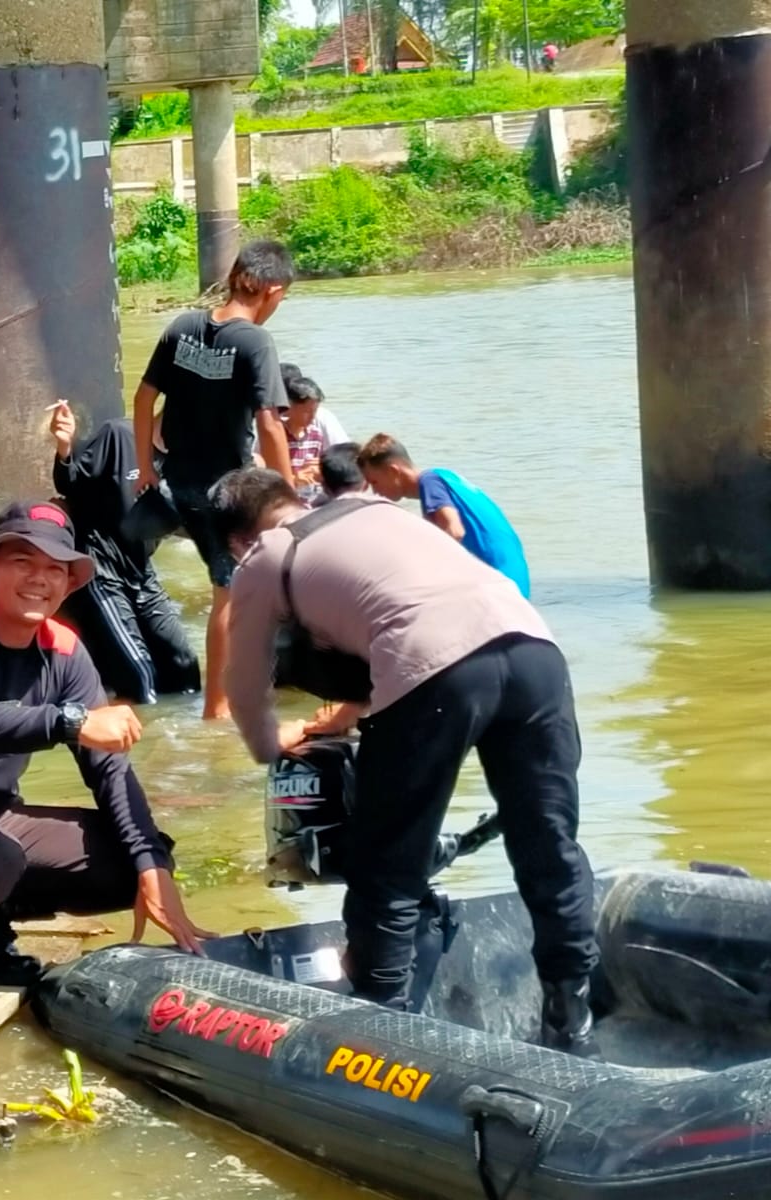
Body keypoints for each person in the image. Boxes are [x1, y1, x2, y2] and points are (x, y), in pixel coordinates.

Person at [213, 469, 599, 1056]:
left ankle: (381, 1034)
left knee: (389, 863)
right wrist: (353, 710)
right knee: (550, 846)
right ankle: (572, 1024)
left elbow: (242, 686)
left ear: (237, 540)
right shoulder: (376, 510)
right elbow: (409, 602)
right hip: (535, 653)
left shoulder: (266, 556)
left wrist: (272, 746)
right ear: (294, 498)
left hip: (437, 674)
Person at [0, 501, 211, 1006]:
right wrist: (68, 721)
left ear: (71, 584)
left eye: (55, 569)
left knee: (134, 861)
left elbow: (109, 769)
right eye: (22, 563)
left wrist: (153, 868)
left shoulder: (64, 649)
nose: (40, 579)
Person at [133, 240, 295, 721]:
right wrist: (287, 498)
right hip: (225, 492)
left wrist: (145, 467)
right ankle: (216, 710)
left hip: (175, 485)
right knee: (231, 592)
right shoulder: (256, 342)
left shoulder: (183, 327)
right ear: (273, 290)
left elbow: (143, 401)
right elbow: (269, 424)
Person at [48, 402, 200, 704]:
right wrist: (64, 447)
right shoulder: (119, 435)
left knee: (185, 670)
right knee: (140, 678)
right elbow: (71, 483)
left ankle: (179, 747)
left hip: (142, 572)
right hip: (101, 570)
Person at [357, 434, 531, 597]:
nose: (375, 491)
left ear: (393, 471)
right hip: (513, 576)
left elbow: (455, 531)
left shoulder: (430, 482)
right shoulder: (444, 477)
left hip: (499, 581)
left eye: (374, 482)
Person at [278, 375, 330, 505]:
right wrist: (295, 479)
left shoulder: (316, 434)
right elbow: (267, 475)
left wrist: (320, 471)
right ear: (289, 407)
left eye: (315, 411)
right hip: (286, 499)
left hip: (312, 499)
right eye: (307, 412)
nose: (312, 417)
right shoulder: (278, 435)